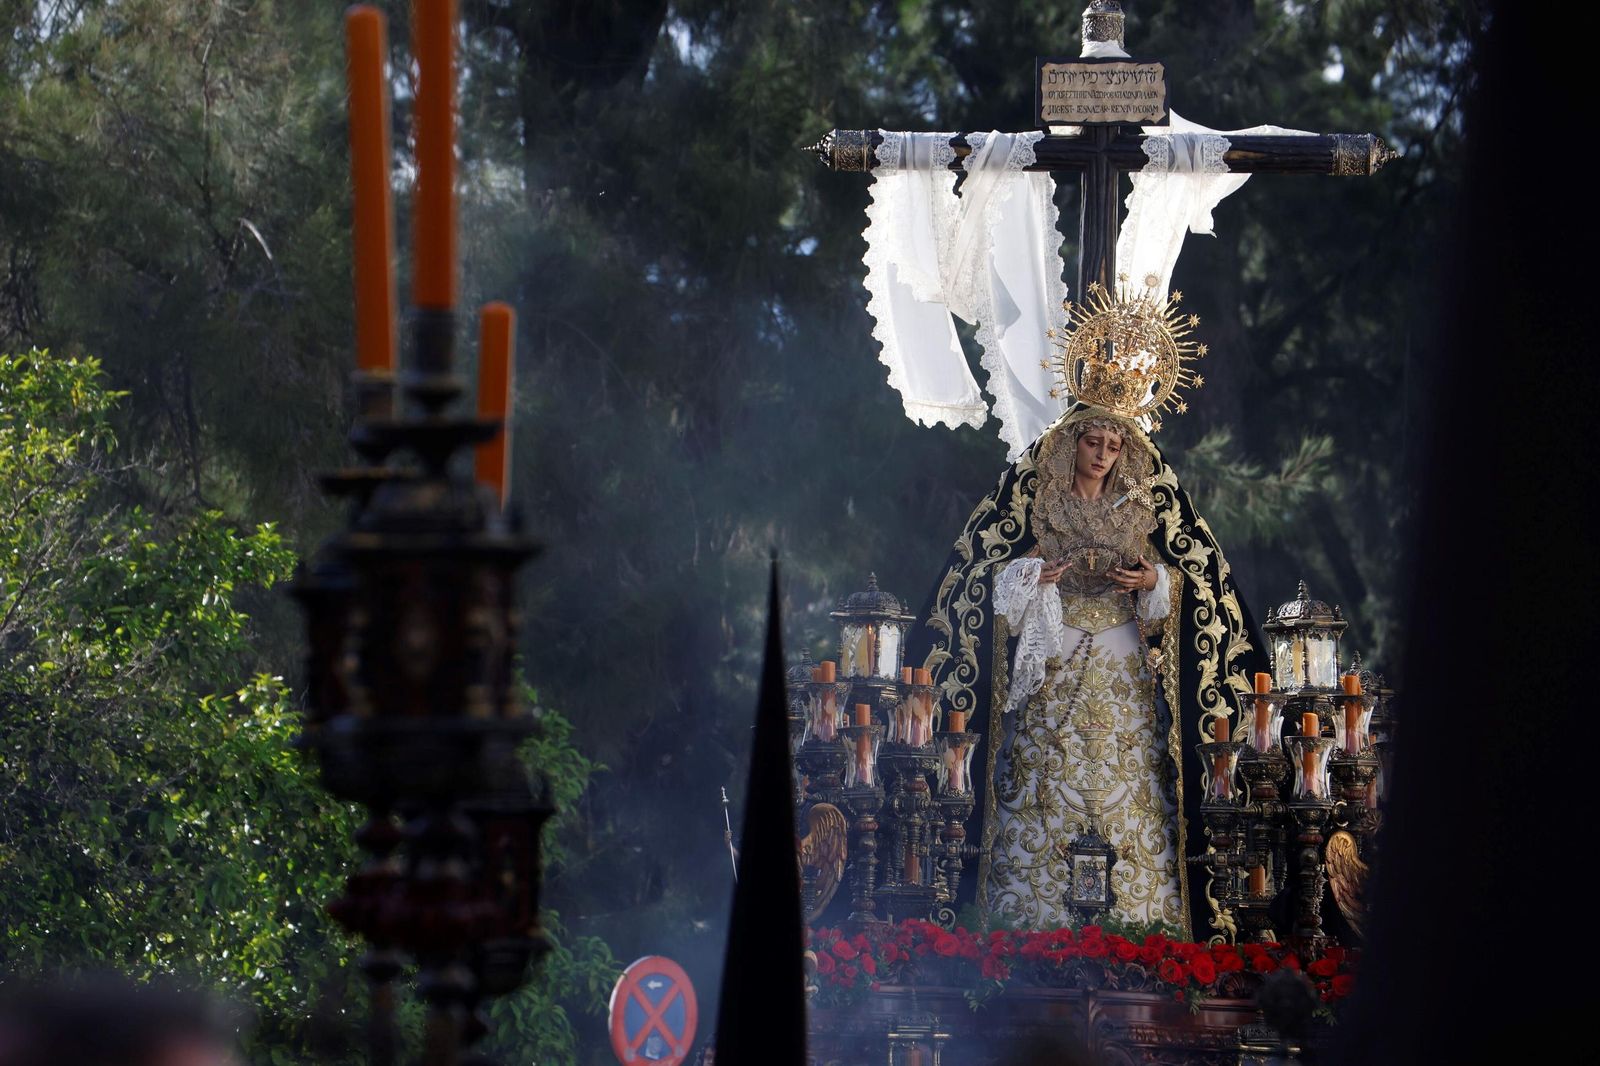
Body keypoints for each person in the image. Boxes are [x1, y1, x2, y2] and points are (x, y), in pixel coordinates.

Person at [911, 399, 1266, 938]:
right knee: (1042, 770)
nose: (1102, 456)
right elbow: (986, 579)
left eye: (1114, 446)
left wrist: (1153, 583)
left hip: (1123, 656)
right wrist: (1035, 576)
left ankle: (1144, 926)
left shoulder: (1139, 509)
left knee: (1135, 774)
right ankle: (1028, 921)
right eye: (1093, 443)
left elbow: (1192, 583)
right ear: (1071, 444)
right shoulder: (1040, 505)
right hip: (1057, 649)